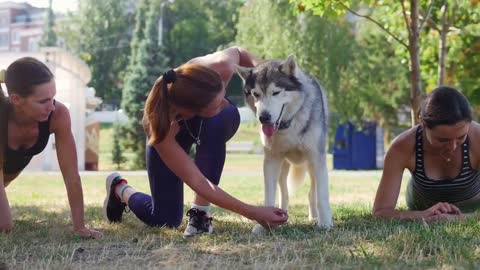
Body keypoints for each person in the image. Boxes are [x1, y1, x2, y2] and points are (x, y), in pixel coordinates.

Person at [103, 47, 288, 237]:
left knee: (222, 117)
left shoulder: (219, 66)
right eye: (217, 104)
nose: (225, 103)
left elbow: (240, 52)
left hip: (211, 124)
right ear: (192, 112)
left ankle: (200, 215)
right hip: (172, 129)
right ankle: (119, 189)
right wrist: (253, 212)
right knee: (165, 219)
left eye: (223, 93)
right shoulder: (160, 127)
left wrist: (265, 74)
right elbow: (198, 181)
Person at [0, 57, 102, 239]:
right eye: (42, 101)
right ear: (16, 99)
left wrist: (80, 227)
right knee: (4, 227)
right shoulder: (2, 119)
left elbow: (72, 175)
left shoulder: (58, 115)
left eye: (53, 97)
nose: (51, 106)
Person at [373, 86, 480, 222]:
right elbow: (381, 211)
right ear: (422, 124)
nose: (452, 146)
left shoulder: (478, 139)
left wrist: (458, 218)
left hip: (474, 204)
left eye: (461, 137)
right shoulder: (401, 147)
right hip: (421, 205)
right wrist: (424, 215)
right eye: (442, 139)